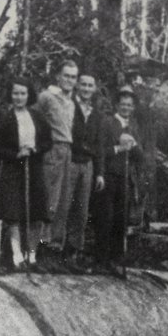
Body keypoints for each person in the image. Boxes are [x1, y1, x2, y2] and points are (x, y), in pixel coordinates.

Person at [0, 78, 52, 270]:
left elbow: (48, 142)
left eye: (23, 93)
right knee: (14, 214)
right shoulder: (5, 117)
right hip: (13, 170)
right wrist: (16, 154)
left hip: (34, 168)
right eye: (15, 93)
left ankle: (32, 256)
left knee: (37, 213)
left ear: (29, 95)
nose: (19, 97)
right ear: (10, 95)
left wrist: (34, 149)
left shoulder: (37, 116)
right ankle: (17, 257)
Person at [92, 86, 143, 276]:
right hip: (109, 176)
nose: (126, 108)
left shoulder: (134, 127)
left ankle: (116, 259)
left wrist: (133, 144)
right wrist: (118, 148)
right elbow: (100, 151)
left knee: (121, 220)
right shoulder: (107, 123)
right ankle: (101, 260)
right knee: (105, 217)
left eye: (129, 105)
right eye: (123, 104)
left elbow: (140, 156)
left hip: (125, 178)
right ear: (116, 105)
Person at [59, 71, 106, 271]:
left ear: (94, 89)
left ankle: (73, 255)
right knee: (63, 205)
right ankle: (53, 252)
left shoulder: (96, 114)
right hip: (70, 160)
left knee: (81, 209)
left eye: (90, 86)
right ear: (77, 85)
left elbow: (100, 145)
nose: (86, 89)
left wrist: (100, 172)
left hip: (87, 164)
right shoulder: (69, 106)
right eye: (83, 85)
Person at [34, 60, 78, 267]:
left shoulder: (71, 102)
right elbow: (34, 118)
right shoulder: (46, 96)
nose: (69, 80)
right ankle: (36, 249)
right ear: (58, 77)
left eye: (73, 77)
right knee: (48, 199)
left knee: (62, 201)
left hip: (67, 150)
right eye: (66, 76)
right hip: (52, 149)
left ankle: (52, 249)